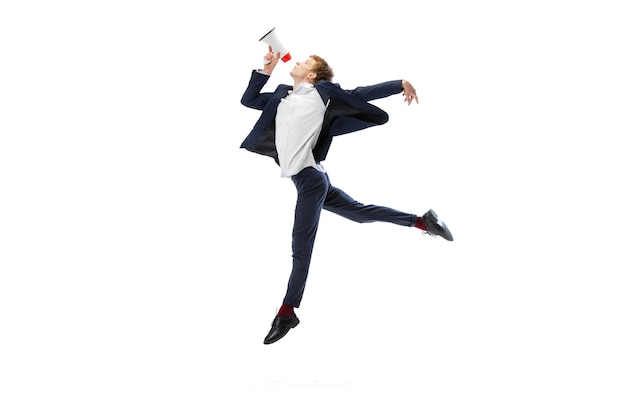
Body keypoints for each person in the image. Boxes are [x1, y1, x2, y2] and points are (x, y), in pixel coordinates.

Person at [240, 46, 453, 345]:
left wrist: (399, 84)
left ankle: (287, 311)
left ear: (312, 74)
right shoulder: (282, 97)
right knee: (359, 213)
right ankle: (422, 221)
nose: (298, 60)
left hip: (311, 180)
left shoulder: (322, 94)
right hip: (309, 179)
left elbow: (360, 92)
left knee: (301, 247)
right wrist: (266, 69)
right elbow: (248, 100)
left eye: (305, 61)